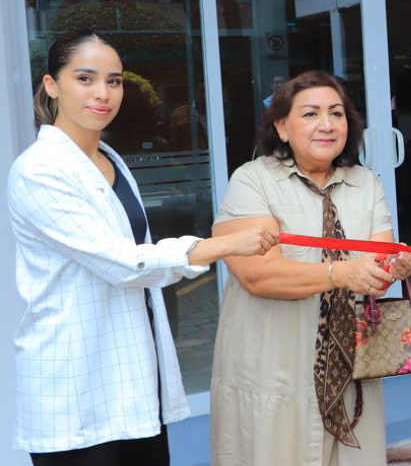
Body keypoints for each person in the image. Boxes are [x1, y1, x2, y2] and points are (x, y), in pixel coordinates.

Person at [8, 30, 276, 465]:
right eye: (85, 78)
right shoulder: (39, 170)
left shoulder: (111, 160)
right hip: (74, 385)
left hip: (134, 377)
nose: (103, 93)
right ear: (52, 86)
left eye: (114, 81)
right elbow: (123, 262)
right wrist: (220, 246)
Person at [209, 71, 411, 466]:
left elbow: (374, 271)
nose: (326, 125)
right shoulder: (253, 181)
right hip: (274, 367)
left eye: (336, 113)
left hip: (352, 369)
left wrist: (395, 267)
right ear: (281, 127)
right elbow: (257, 275)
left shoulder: (365, 183)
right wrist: (342, 273)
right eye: (310, 114)